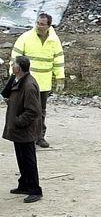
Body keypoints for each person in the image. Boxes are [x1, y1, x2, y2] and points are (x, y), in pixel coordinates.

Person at [10, 13, 64, 148]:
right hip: (27, 82)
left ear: (49, 25)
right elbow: (15, 57)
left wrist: (60, 77)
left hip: (44, 82)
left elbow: (58, 60)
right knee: (26, 109)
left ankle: (39, 137)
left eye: (42, 24)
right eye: (38, 23)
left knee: (40, 111)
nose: (39, 26)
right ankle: (26, 136)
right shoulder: (26, 37)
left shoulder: (54, 40)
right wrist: (14, 76)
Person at [2, 56, 44, 203]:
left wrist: (18, 122)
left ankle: (35, 190)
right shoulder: (18, 79)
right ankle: (24, 184)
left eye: (13, 64)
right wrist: (13, 77)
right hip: (19, 130)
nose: (11, 65)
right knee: (21, 159)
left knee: (29, 160)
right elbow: (5, 93)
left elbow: (34, 111)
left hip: (25, 129)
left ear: (18, 68)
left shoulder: (29, 85)